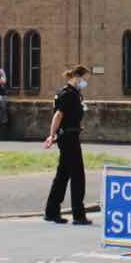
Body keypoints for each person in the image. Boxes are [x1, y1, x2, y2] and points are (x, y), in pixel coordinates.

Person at [43, 65, 92, 225]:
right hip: (69, 137)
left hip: (70, 135)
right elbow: (58, 115)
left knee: (63, 175)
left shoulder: (74, 94)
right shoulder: (67, 94)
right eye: (84, 79)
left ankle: (51, 211)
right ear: (77, 77)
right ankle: (79, 215)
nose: (85, 83)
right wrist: (51, 135)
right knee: (78, 176)